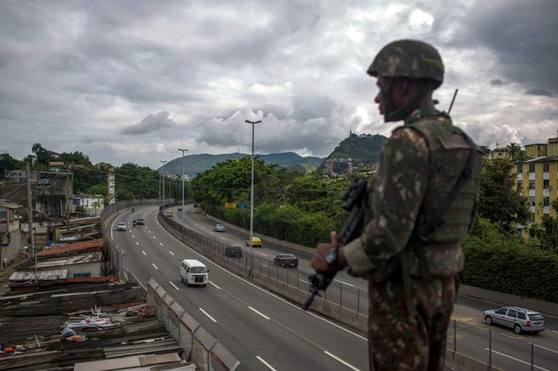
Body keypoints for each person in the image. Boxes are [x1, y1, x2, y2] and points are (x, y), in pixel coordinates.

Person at [311, 39, 483, 371]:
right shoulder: (464, 145)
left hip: (404, 289)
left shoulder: (407, 143)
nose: (377, 97)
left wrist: (335, 256)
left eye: (381, 87)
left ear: (402, 86)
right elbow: (464, 221)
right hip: (444, 283)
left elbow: (387, 236)